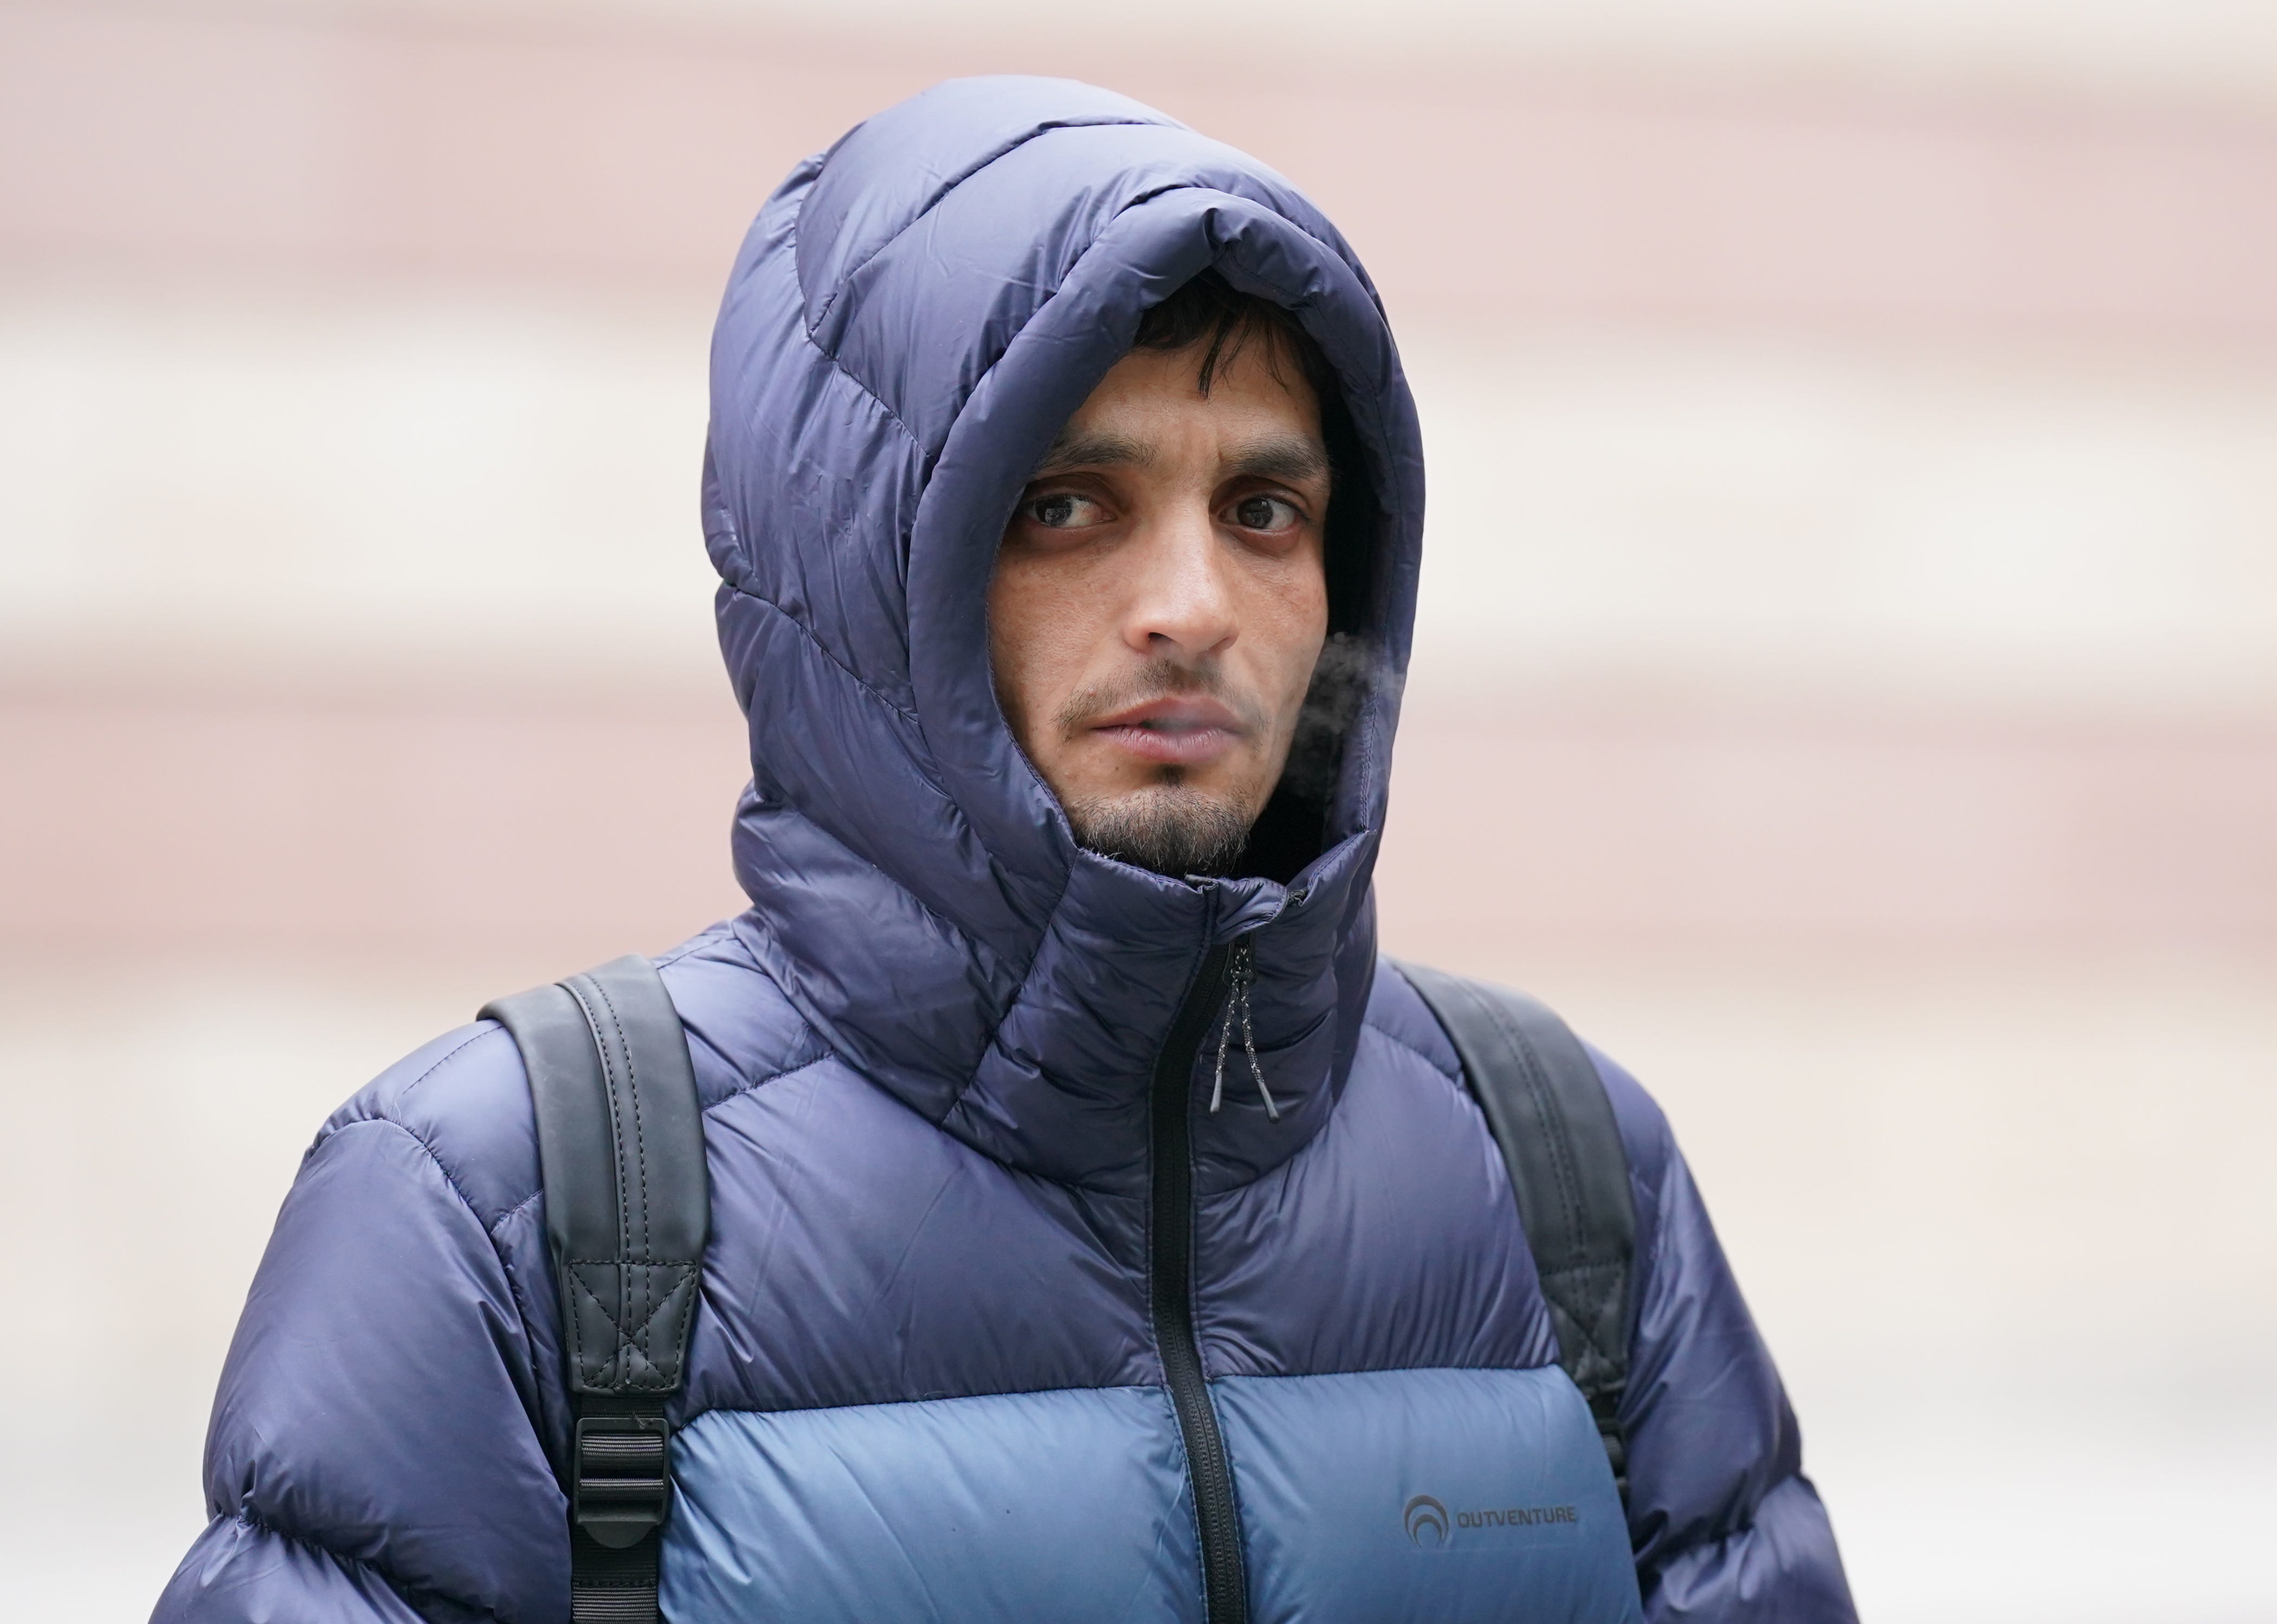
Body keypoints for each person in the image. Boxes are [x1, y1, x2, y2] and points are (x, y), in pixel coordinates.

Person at [152, 76, 1855, 1624]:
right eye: (1064, 505)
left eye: (1265, 510)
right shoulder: (501, 1213)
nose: (1192, 608)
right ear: (872, 577)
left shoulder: (1567, 1174)